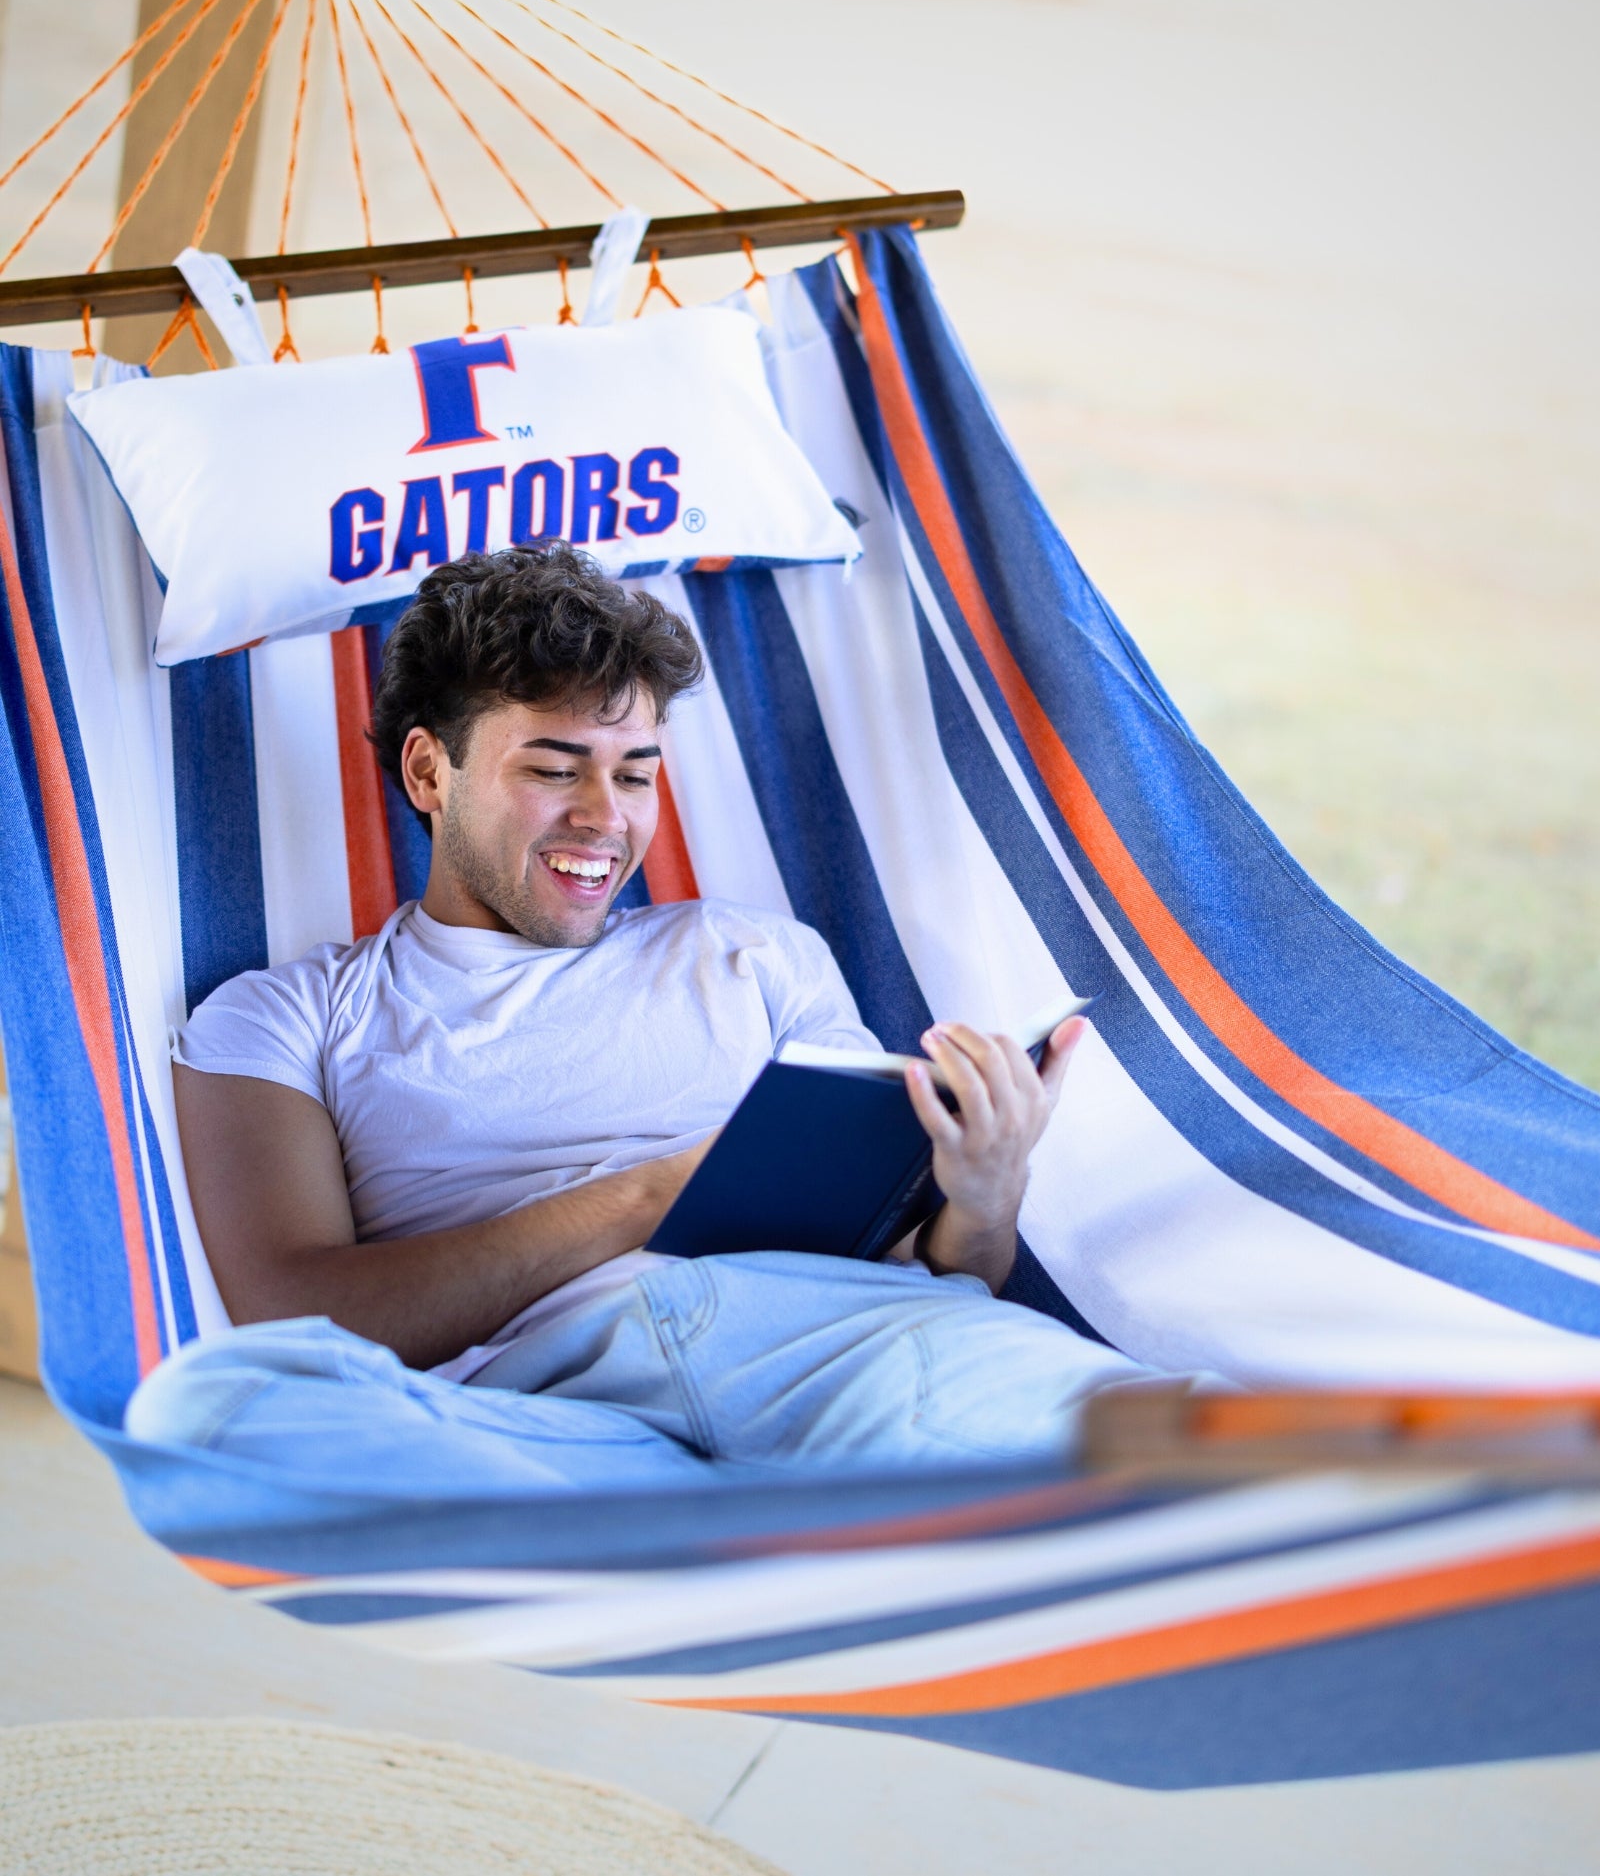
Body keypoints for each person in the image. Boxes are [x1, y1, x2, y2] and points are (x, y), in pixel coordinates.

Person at [127, 546, 1162, 1492]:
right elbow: (295, 1320)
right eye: (551, 767)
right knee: (213, 1409)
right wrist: (654, 1196)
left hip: (835, 1344)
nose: (605, 817)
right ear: (428, 772)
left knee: (1169, 1453)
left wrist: (983, 1196)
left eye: (634, 773)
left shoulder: (755, 957)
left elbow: (927, 1275)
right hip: (531, 1417)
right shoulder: (282, 1020)